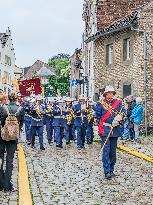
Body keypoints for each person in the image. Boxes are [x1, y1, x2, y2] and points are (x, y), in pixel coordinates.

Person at [95, 86, 125, 180]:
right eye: (108, 93)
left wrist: (119, 120)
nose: (110, 94)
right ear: (105, 94)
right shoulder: (100, 103)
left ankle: (111, 169)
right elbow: (97, 116)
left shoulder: (119, 103)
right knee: (106, 151)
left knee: (113, 152)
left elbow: (123, 113)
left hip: (115, 130)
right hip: (105, 129)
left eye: (112, 93)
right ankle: (106, 171)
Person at [0, 91, 24, 191]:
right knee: (10, 161)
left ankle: (2, 183)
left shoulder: (3, 108)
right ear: (16, 98)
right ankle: (7, 185)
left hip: (2, 137)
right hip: (13, 138)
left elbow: (1, 121)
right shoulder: (20, 109)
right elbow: (21, 123)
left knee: (1, 159)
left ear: (8, 98)